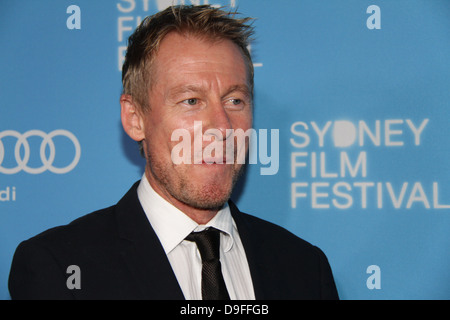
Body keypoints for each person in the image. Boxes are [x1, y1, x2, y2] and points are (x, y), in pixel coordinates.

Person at [8, 5, 339, 300]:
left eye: (235, 100)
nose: (222, 127)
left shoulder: (306, 268)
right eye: (191, 101)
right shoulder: (59, 268)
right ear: (135, 118)